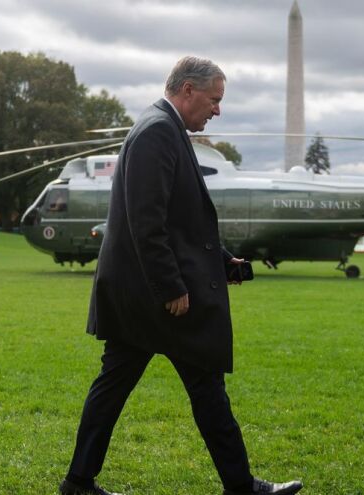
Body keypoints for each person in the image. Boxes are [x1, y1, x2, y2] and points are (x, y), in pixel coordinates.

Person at [58, 56, 303, 495]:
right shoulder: (157, 132)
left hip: (139, 298)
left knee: (122, 388)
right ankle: (241, 487)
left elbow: (178, 222)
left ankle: (78, 482)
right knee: (201, 388)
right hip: (156, 300)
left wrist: (222, 260)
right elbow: (146, 223)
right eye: (214, 99)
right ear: (187, 90)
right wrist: (171, 286)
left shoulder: (163, 128)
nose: (217, 110)